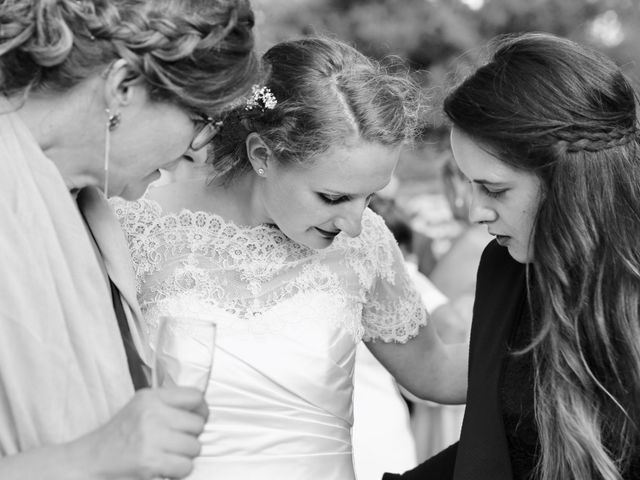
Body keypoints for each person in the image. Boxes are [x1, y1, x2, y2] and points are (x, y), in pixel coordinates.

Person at [113, 36, 467, 479]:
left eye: (369, 198)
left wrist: (560, 328)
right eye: (333, 197)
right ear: (262, 154)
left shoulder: (364, 243)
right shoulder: (135, 227)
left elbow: (437, 373)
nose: (354, 224)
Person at [0, 1, 259, 478]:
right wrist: (90, 458)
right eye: (201, 119)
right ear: (123, 88)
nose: (197, 152)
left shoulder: (91, 214)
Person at [384, 32, 640, 480]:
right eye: (468, 183)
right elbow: (501, 446)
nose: (474, 211)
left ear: (571, 179)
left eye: (495, 189)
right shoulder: (505, 271)